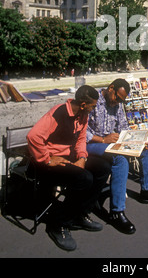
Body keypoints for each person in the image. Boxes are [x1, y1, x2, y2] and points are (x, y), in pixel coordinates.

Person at [27, 85, 111, 251]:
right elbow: (33, 136)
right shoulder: (58, 113)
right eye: (93, 106)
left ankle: (80, 213)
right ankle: (58, 224)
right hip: (47, 165)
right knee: (84, 178)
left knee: (103, 168)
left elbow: (81, 140)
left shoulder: (83, 115)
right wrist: (47, 159)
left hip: (69, 158)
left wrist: (82, 157)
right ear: (82, 105)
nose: (94, 109)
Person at [86, 78, 148, 235]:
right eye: (117, 98)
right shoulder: (94, 100)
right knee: (120, 161)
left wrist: (136, 140)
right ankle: (117, 211)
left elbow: (123, 126)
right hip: (93, 144)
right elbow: (82, 131)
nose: (117, 102)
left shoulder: (117, 104)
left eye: (121, 100)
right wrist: (103, 139)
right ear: (111, 88)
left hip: (112, 142)